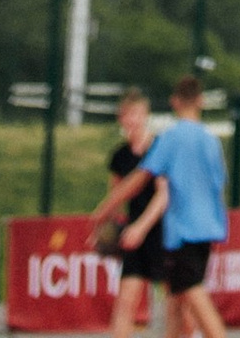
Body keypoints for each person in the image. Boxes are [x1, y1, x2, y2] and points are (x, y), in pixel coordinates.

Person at [138, 74, 231, 338]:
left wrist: (106, 208)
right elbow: (218, 186)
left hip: (182, 233)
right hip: (208, 229)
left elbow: (145, 174)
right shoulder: (211, 141)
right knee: (176, 303)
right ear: (201, 101)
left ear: (174, 102)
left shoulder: (172, 137)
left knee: (194, 296)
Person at [81, 86, 167, 338]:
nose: (131, 120)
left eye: (135, 114)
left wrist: (142, 227)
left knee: (180, 298)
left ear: (145, 115)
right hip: (133, 232)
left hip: (162, 229)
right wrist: (105, 230)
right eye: (126, 115)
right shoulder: (120, 156)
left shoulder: (159, 147)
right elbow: (116, 196)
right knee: (126, 301)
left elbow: (164, 194)